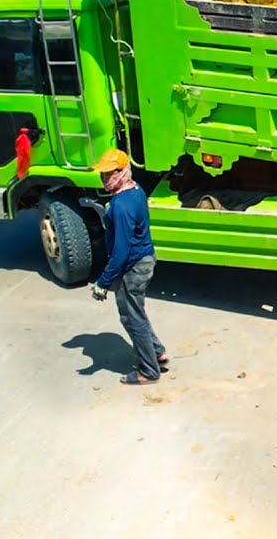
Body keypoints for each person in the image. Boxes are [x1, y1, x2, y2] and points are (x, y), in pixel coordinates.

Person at [90, 148, 166, 385]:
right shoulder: (135, 190)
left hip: (133, 266)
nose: (105, 179)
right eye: (103, 175)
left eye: (110, 174)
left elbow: (121, 252)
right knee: (137, 313)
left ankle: (149, 371)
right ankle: (156, 352)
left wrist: (102, 282)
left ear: (123, 172)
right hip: (143, 260)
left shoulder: (122, 206)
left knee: (131, 318)